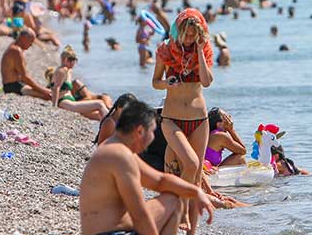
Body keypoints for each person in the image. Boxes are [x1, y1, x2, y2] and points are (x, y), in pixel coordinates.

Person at [80, 100, 214, 235]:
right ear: (140, 131)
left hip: (112, 229)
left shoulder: (115, 148)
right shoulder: (120, 156)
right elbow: (139, 216)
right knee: (174, 203)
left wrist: (196, 192)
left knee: (173, 198)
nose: (153, 138)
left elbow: (160, 181)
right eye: (152, 132)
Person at [151, 9, 214, 235]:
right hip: (172, 118)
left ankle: (190, 231)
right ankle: (182, 212)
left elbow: (206, 82)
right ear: (179, 32)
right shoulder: (166, 51)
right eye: (186, 34)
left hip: (199, 119)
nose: (188, 39)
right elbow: (155, 82)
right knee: (191, 163)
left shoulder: (204, 51)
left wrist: (198, 52)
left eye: (193, 35)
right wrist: (168, 82)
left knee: (195, 178)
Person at [46, 46, 109, 120]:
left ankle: (110, 128)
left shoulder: (68, 71)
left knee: (98, 115)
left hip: (70, 101)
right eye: (74, 61)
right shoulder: (62, 71)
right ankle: (111, 126)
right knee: (100, 104)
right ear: (66, 60)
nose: (74, 63)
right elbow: (56, 88)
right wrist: (54, 107)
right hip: (64, 102)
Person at [0, 28, 52, 100]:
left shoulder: (14, 46)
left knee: (48, 92)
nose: (31, 44)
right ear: (22, 38)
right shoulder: (16, 51)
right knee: (48, 96)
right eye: (30, 41)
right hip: (13, 87)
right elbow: (25, 77)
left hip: (15, 84)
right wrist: (43, 91)